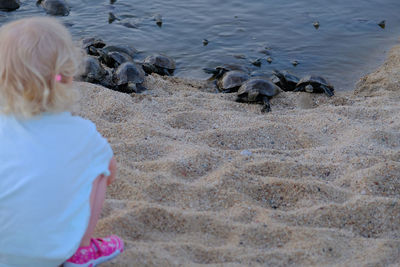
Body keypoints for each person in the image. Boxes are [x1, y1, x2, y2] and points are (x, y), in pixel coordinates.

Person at [0, 17, 124, 267]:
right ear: (68, 77)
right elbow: (110, 173)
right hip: (53, 254)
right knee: (98, 173)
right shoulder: (83, 133)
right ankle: (82, 249)